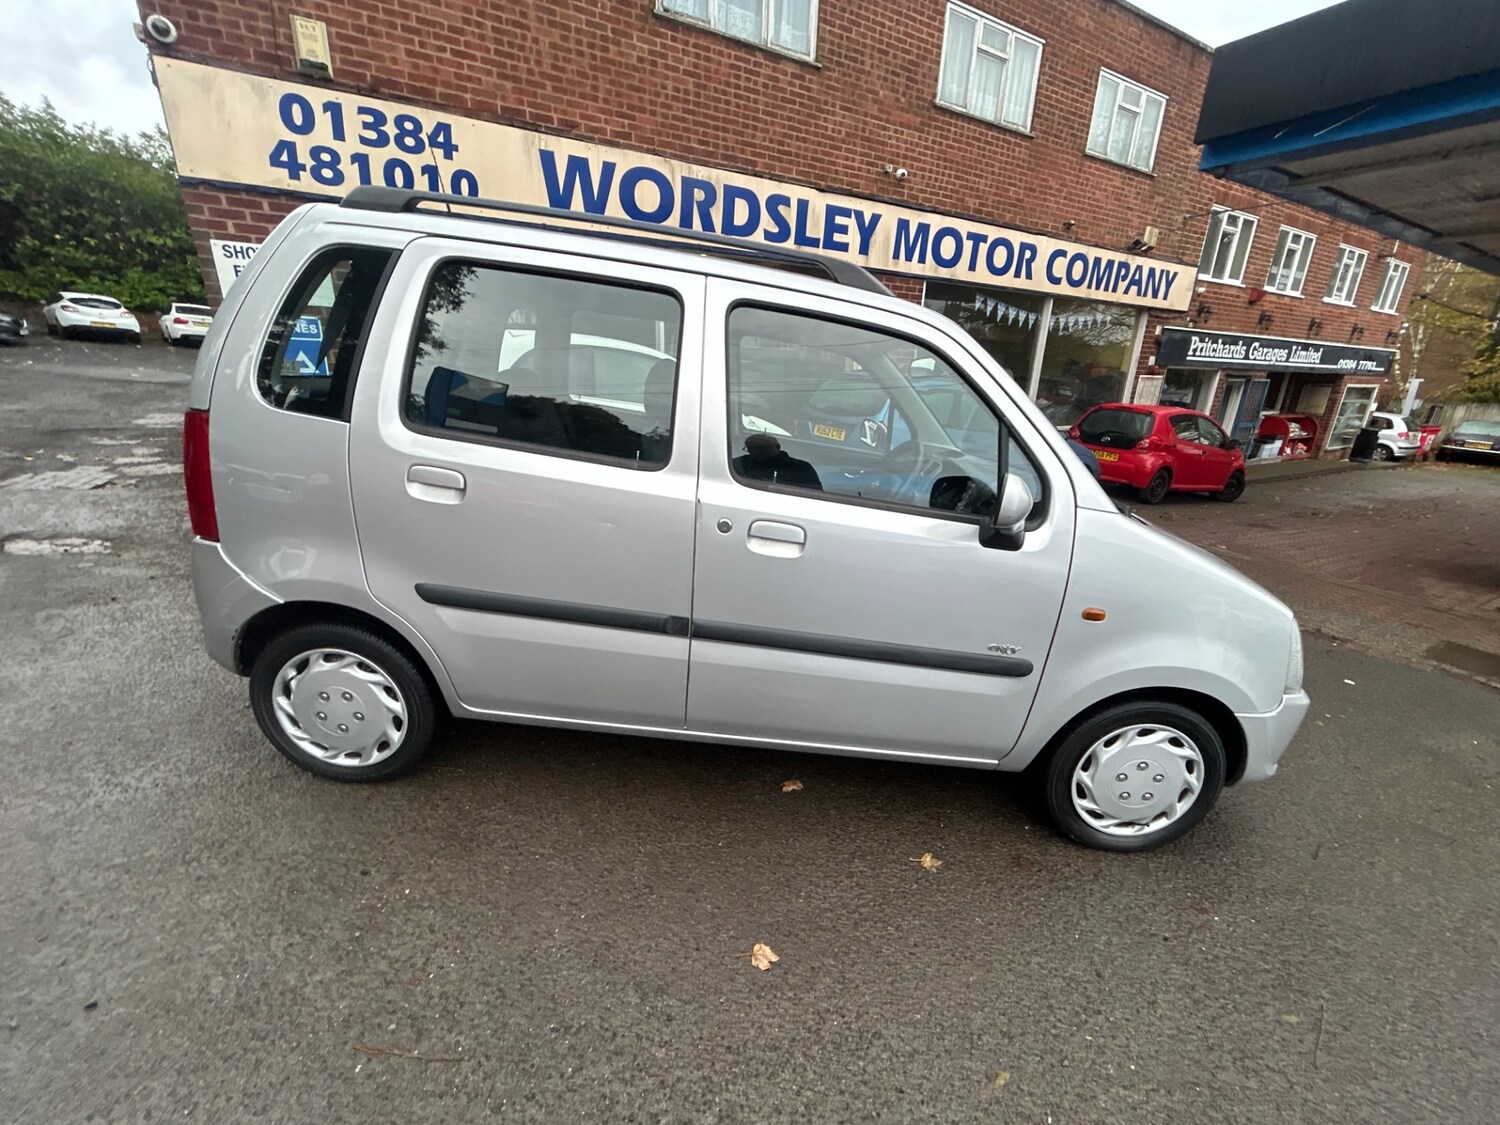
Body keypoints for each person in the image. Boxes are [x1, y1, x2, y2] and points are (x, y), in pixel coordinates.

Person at [733, 434, 822, 490]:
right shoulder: (739, 465)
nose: (758, 453)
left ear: (777, 447)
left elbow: (816, 495)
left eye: (762, 449)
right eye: (752, 449)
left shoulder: (801, 469)